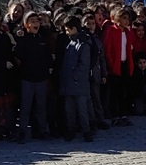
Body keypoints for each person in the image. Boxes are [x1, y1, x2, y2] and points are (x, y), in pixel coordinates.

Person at [15, 11, 53, 142]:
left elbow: (48, 56)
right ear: (26, 25)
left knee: (41, 106)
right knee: (26, 106)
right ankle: (22, 132)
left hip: (42, 77)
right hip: (27, 78)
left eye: (37, 21)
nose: (35, 24)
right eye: (32, 22)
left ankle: (42, 130)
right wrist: (20, 37)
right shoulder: (23, 39)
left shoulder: (43, 37)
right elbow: (18, 54)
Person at [59, 15, 94, 142]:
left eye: (68, 30)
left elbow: (83, 66)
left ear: (74, 29)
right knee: (69, 110)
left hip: (79, 83)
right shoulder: (71, 43)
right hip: (68, 83)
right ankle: (71, 129)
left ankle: (87, 130)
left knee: (82, 109)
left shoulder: (83, 44)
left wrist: (74, 77)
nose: (67, 33)